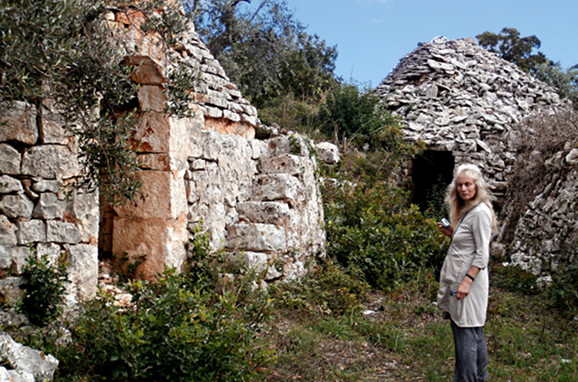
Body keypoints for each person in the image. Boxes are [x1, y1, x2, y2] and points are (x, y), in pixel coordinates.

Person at [436, 163, 497, 382]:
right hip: (460, 279)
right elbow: (469, 244)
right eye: (460, 185)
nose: (463, 189)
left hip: (468, 282)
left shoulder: (480, 212)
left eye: (468, 184)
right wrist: (452, 233)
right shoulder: (468, 210)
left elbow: (482, 253)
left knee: (465, 336)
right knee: (472, 332)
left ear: (477, 185)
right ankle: (480, 377)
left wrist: (467, 280)